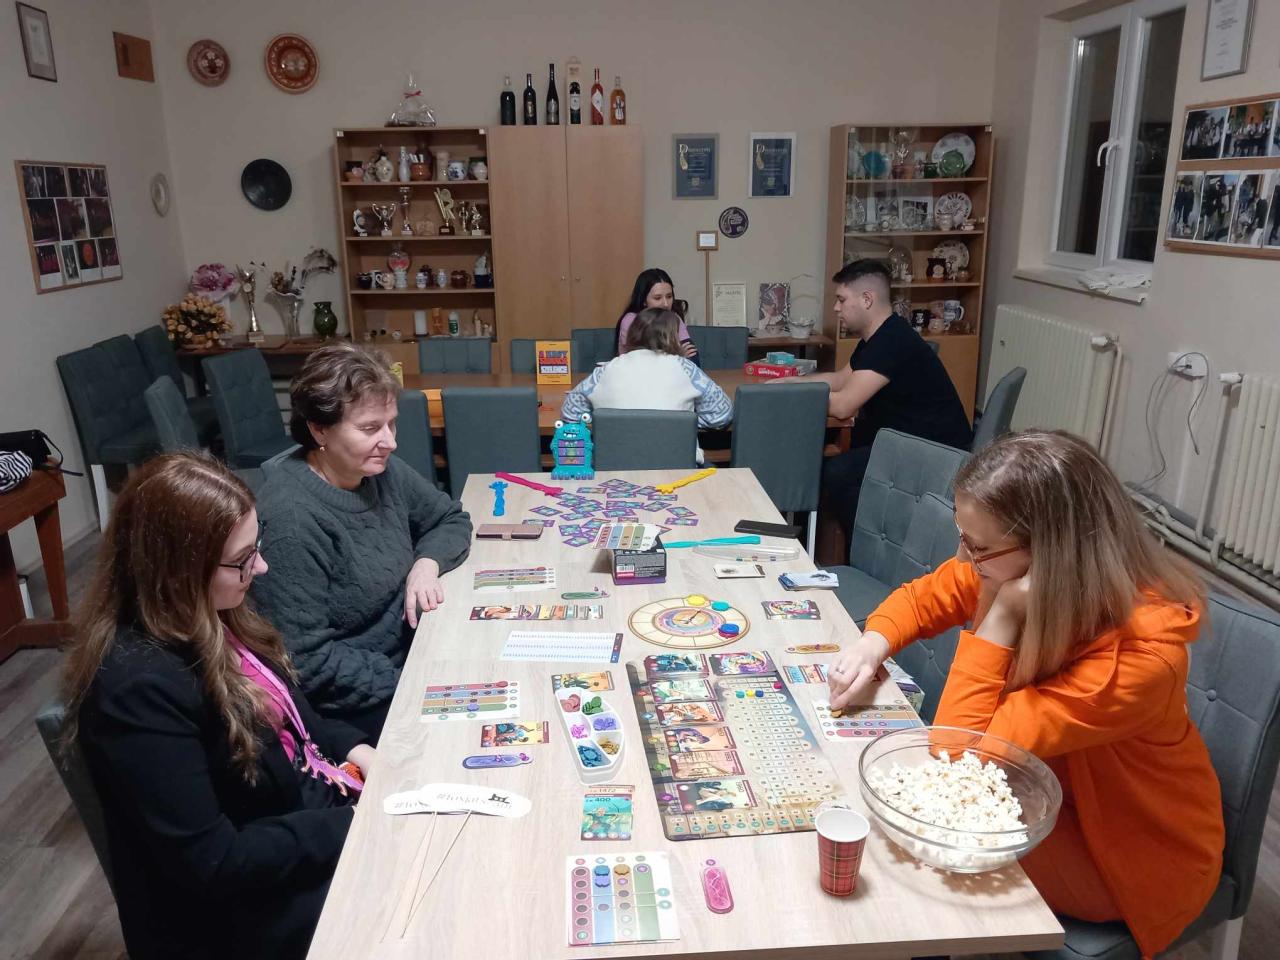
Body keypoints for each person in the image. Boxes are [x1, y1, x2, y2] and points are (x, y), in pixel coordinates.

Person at [827, 431, 1223, 959]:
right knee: (888, 827)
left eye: (978, 547)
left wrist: (1003, 615)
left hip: (1130, 853)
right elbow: (922, 599)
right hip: (1039, 793)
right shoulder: (1006, 565)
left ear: (1050, 555)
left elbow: (957, 757)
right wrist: (871, 644)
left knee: (909, 850)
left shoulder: (1141, 662)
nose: (963, 556)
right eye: (963, 536)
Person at [63, 454, 374, 960]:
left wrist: (364, 754)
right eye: (243, 559)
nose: (261, 567)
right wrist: (358, 823)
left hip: (301, 824)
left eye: (256, 548)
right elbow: (214, 861)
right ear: (179, 571)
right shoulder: (136, 690)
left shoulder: (215, 611)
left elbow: (299, 721)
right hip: (243, 912)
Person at [252, 343, 472, 741]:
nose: (390, 442)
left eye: (392, 424)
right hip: (361, 700)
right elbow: (308, 663)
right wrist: (411, 679)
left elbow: (449, 518)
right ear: (319, 429)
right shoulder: (291, 521)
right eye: (370, 429)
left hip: (418, 648)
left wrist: (426, 564)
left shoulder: (378, 470)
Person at [790, 258, 972, 537]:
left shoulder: (891, 342)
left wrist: (789, 397)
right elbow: (841, 379)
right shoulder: (879, 336)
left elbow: (843, 405)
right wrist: (792, 382)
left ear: (867, 299)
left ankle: (873, 544)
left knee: (837, 471)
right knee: (825, 454)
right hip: (906, 439)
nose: (836, 308)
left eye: (841, 299)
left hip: (935, 453)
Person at [564, 307, 731, 463]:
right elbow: (721, 415)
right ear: (672, 337)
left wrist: (602, 419)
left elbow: (570, 412)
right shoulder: (686, 369)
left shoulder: (605, 370)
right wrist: (687, 420)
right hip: (678, 469)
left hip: (613, 469)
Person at [613, 267, 700, 364]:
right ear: (644, 300)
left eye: (669, 296)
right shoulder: (631, 320)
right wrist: (679, 357)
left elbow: (692, 356)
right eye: (657, 298)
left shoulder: (674, 318)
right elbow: (641, 361)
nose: (665, 304)